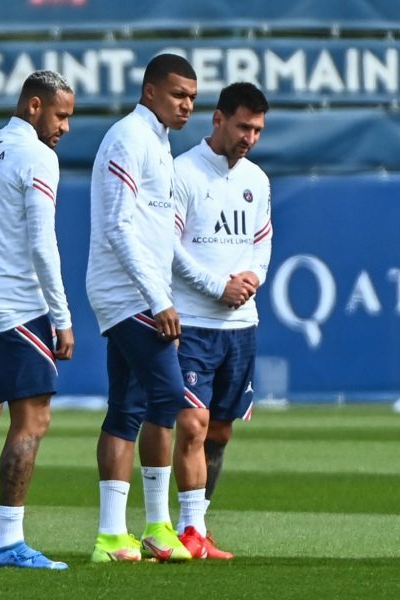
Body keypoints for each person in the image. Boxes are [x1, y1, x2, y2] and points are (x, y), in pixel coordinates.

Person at [0, 70, 76, 570]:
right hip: (18, 308)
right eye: (61, 114)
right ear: (33, 106)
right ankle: (10, 541)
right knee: (33, 420)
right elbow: (42, 245)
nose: (65, 127)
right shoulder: (38, 157)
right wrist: (62, 316)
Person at [85, 53, 198, 563]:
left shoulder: (158, 143)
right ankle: (157, 525)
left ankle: (113, 535)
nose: (187, 105)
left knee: (128, 408)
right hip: (127, 294)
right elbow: (116, 225)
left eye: (193, 97)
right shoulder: (128, 137)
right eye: (178, 94)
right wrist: (158, 300)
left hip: (142, 292)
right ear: (150, 90)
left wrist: (207, 282)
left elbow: (161, 238)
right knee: (170, 395)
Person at [170, 82, 272, 559]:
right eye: (242, 126)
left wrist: (253, 276)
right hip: (192, 322)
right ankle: (186, 530)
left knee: (221, 432)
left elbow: (262, 243)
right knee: (192, 423)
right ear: (218, 119)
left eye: (256, 129)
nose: (249, 137)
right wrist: (218, 287)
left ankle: (199, 526)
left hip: (241, 327)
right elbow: (167, 250)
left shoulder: (258, 180)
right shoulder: (183, 173)